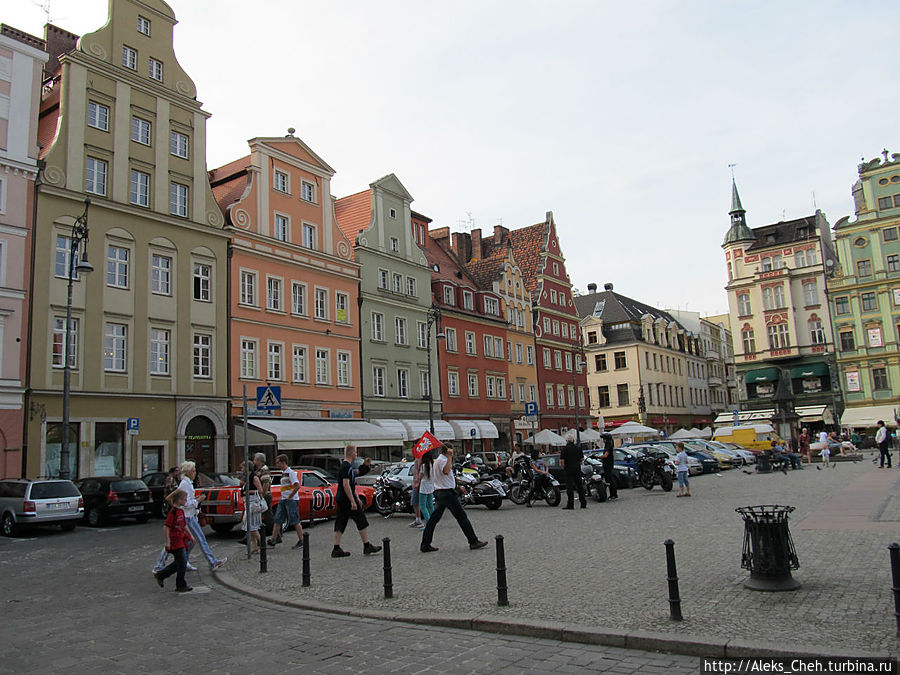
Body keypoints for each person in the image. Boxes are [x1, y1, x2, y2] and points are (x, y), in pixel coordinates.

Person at [152, 461, 226, 575]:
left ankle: (184, 562)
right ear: (187, 472)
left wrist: (195, 501)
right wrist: (197, 501)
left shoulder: (187, 483)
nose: (195, 473)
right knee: (190, 539)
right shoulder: (185, 484)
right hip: (186, 516)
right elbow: (184, 502)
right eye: (193, 471)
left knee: (192, 540)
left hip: (190, 516)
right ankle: (161, 565)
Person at [420, 444, 487, 553]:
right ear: (447, 451)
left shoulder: (439, 460)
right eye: (451, 450)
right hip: (446, 493)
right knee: (462, 517)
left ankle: (425, 544)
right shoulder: (443, 460)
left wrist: (457, 487)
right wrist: (450, 457)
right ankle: (473, 541)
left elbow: (446, 478)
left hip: (442, 491)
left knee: (433, 519)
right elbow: (446, 471)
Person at [154, 489, 194, 592]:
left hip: (180, 539)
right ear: (179, 500)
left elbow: (184, 525)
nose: (186, 501)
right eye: (184, 499)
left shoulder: (180, 511)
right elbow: (166, 527)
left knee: (180, 562)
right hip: (175, 540)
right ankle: (180, 584)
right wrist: (167, 542)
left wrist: (190, 536)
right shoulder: (173, 512)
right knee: (182, 562)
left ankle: (161, 575)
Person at [268, 455, 304, 549]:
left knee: (295, 519)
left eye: (278, 462)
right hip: (284, 499)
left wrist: (290, 496)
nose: (277, 464)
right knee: (278, 518)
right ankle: (273, 539)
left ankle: (301, 539)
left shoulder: (290, 473)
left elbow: (297, 485)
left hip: (291, 500)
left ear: (283, 462)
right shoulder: (284, 473)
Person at [241, 460, 266, 553]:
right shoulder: (246, 477)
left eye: (242, 467)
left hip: (253, 503)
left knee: (252, 526)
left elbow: (260, 490)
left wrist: (248, 492)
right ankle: (254, 546)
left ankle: (262, 544)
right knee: (250, 527)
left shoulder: (254, 477)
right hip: (248, 503)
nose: (241, 469)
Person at [560, 439, 586, 509]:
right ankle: (583, 502)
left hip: (568, 469)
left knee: (569, 487)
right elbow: (582, 459)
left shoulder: (564, 449)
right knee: (579, 486)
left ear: (567, 441)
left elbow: (562, 461)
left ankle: (570, 504)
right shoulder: (578, 448)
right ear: (573, 440)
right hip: (577, 468)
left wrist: (563, 467)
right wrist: (578, 464)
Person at [597, 433, 618, 501]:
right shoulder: (608, 445)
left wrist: (598, 457)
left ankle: (613, 494)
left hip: (608, 464)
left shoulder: (608, 446)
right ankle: (613, 494)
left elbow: (606, 455)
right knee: (608, 479)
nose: (603, 440)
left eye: (604, 439)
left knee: (609, 479)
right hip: (608, 464)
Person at [418, 451, 435, 525]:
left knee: (422, 506)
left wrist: (417, 482)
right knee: (430, 505)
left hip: (424, 486)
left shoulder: (423, 465)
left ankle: (428, 522)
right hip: (431, 486)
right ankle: (433, 520)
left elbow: (420, 476)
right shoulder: (432, 465)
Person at [409, 454, 424, 529]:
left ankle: (421, 519)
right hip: (417, 483)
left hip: (418, 483)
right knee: (417, 502)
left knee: (417, 502)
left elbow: (420, 472)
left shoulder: (420, 459)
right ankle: (418, 519)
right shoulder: (418, 459)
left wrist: (418, 483)